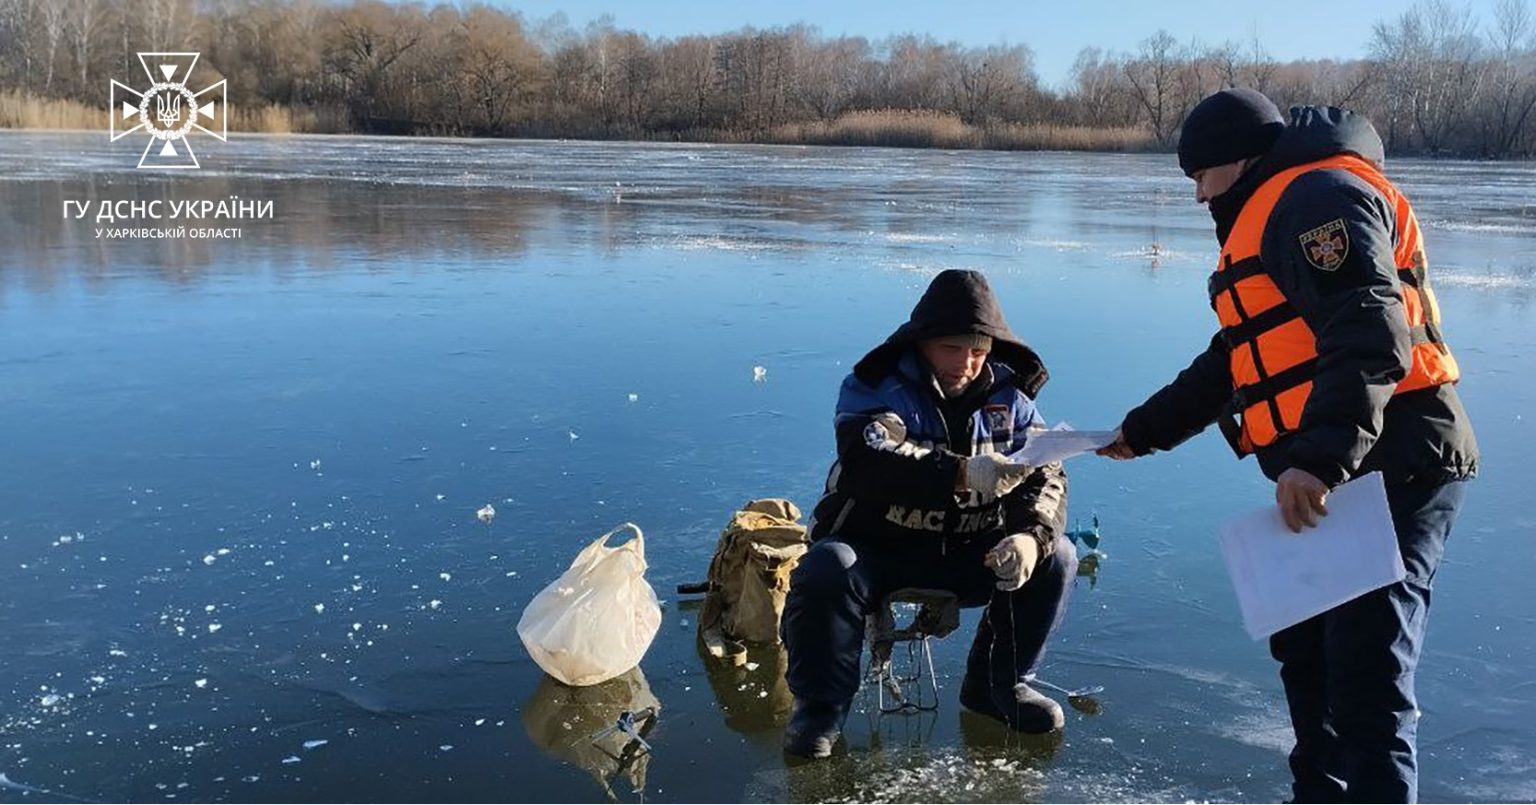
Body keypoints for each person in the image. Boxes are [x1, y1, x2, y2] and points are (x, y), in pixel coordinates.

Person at [1098, 88, 1478, 803]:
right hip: (1343, 475)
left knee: (1366, 674)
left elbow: (1371, 328)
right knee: (1307, 655)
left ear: (1235, 163)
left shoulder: (1315, 199)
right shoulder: (1277, 208)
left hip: (1393, 463)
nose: (1198, 197)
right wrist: (1139, 432)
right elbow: (1235, 358)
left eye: (1200, 179)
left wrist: (1317, 459)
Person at [780, 268, 1076, 759]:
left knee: (1057, 557)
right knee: (827, 568)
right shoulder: (876, 386)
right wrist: (961, 474)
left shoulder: (1013, 397)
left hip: (974, 551)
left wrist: (1030, 537)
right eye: (951, 349)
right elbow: (867, 460)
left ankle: (999, 686)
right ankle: (820, 709)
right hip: (880, 546)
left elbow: (1046, 476)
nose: (966, 363)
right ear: (923, 343)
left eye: (978, 350)